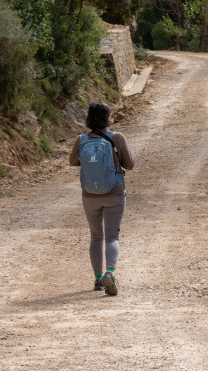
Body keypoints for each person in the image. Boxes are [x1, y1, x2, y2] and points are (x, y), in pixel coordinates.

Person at [69, 102, 135, 295]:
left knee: (96, 236)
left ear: (89, 118)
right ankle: (110, 272)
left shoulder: (81, 140)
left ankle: (98, 279)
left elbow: (72, 161)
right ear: (107, 118)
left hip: (89, 195)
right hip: (114, 193)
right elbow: (130, 164)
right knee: (112, 236)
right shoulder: (117, 138)